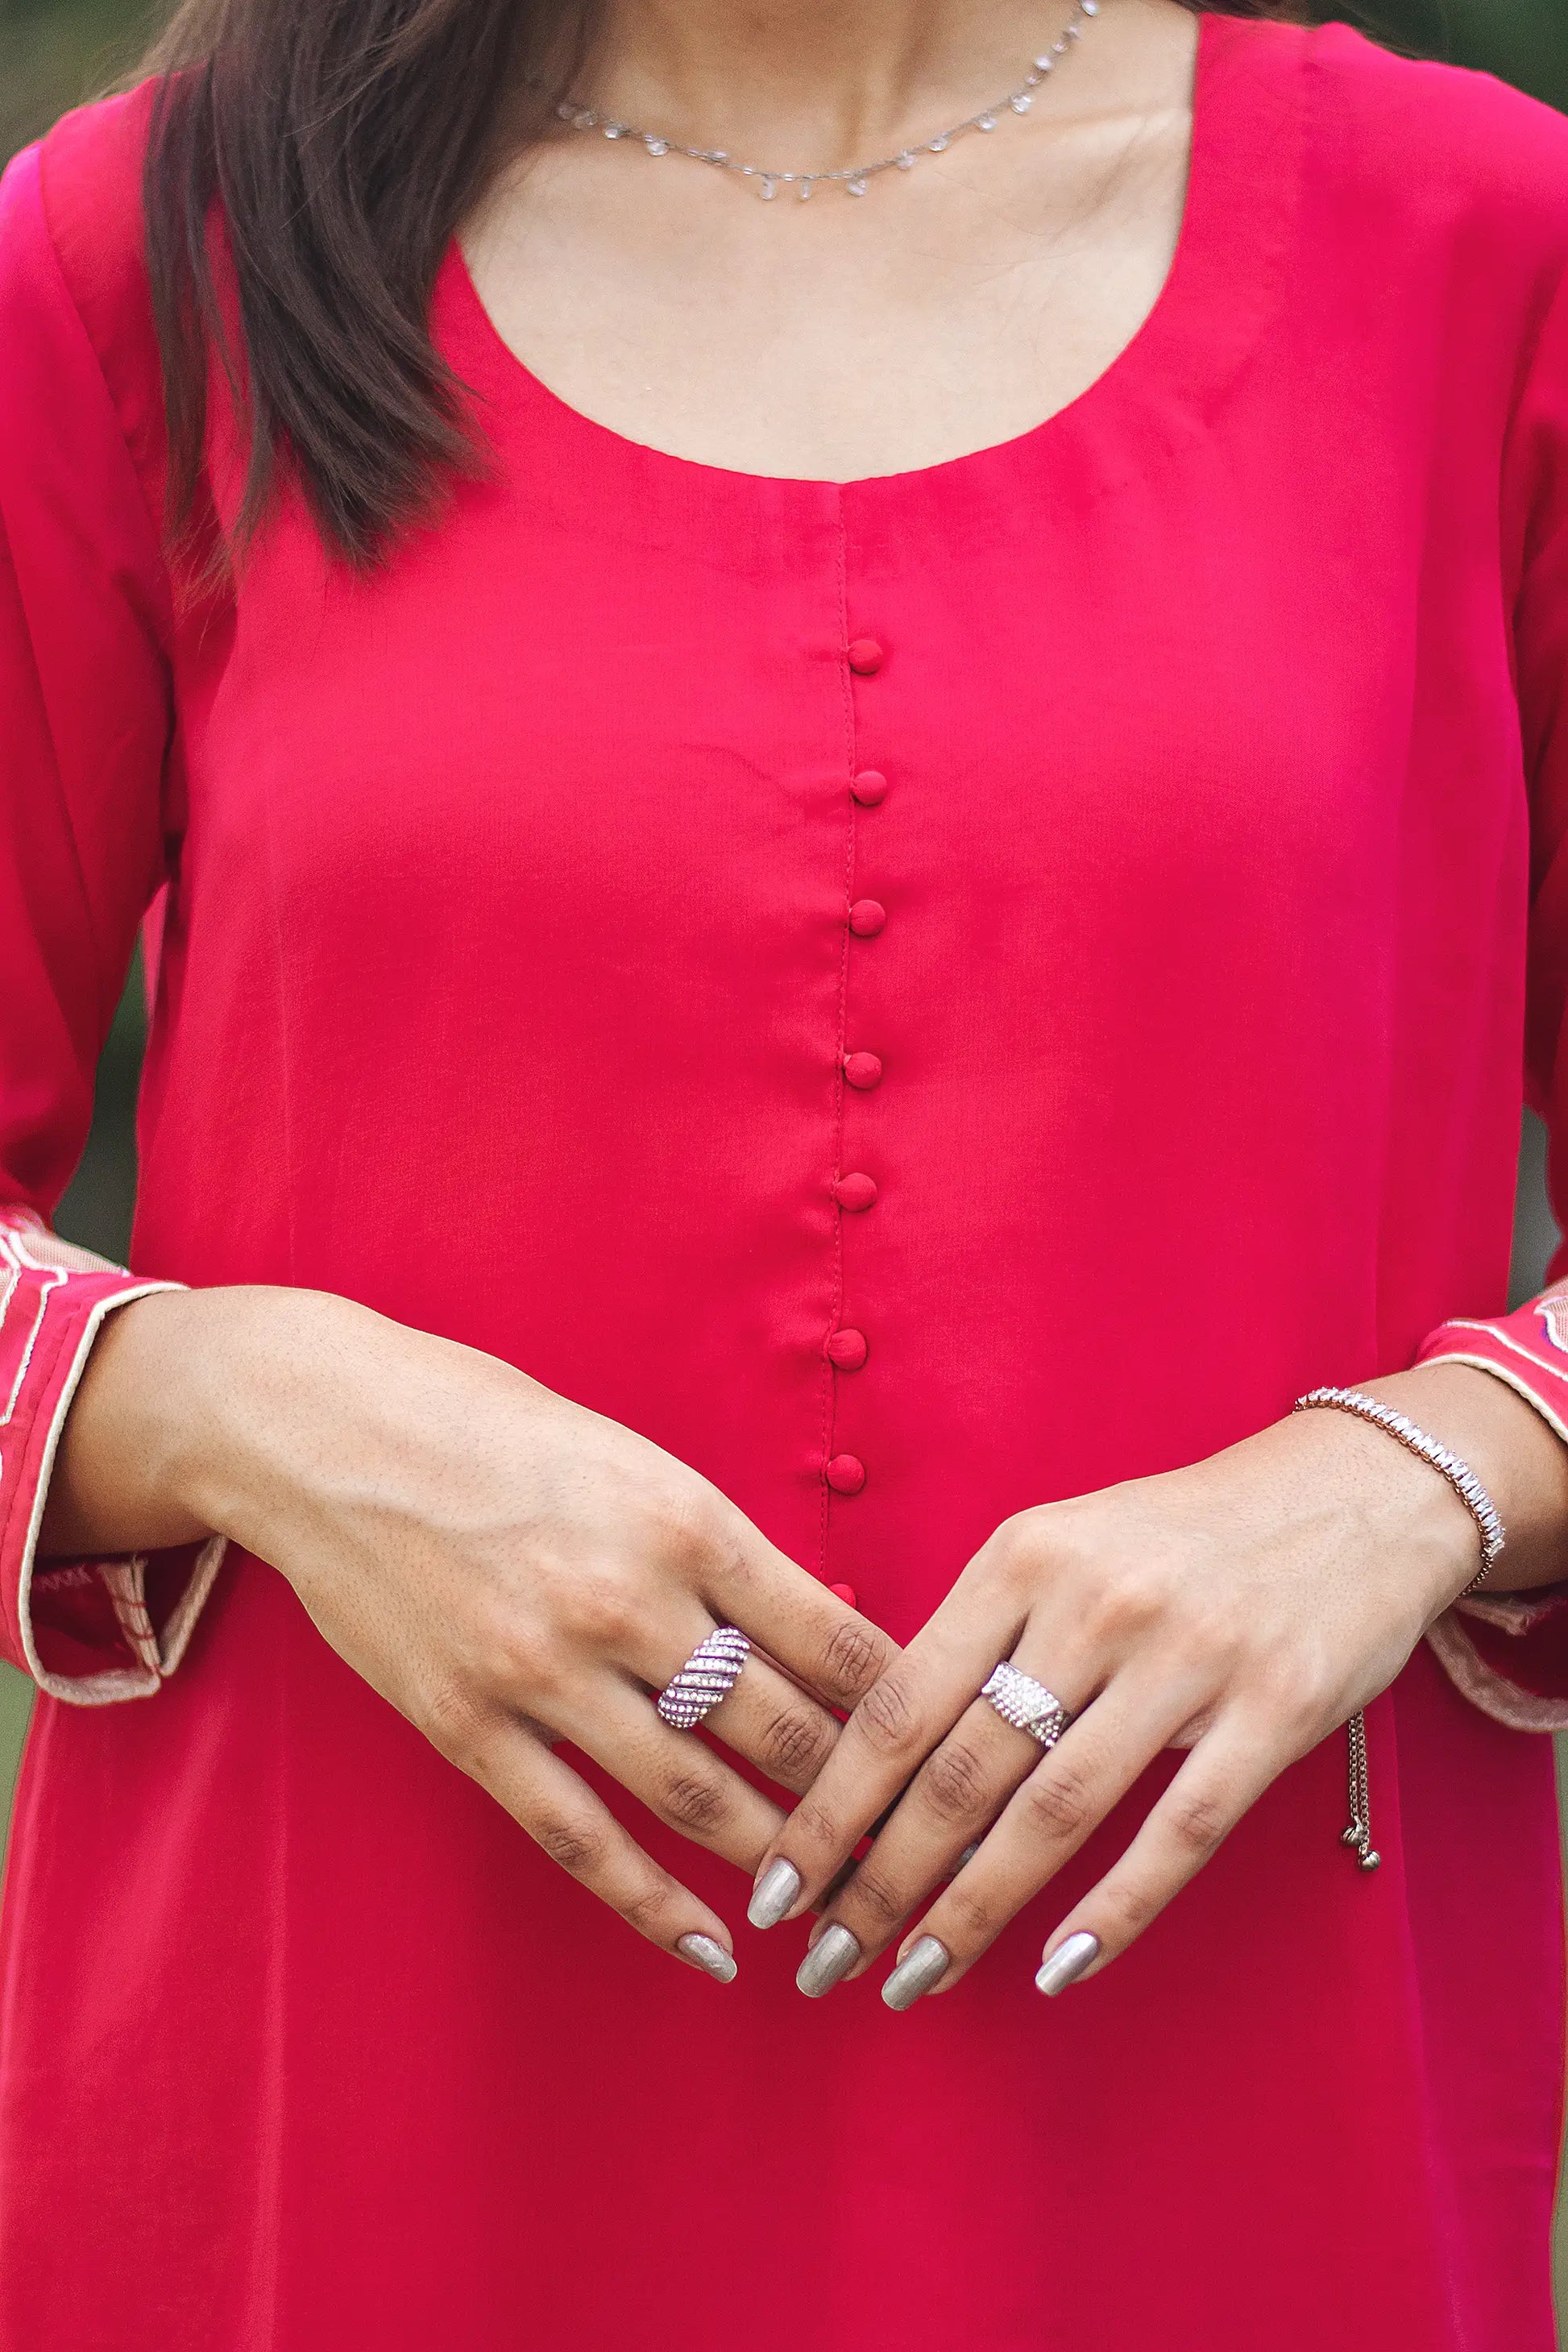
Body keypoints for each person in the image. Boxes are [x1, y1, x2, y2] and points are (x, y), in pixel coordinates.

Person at [2, 0, 1568, 2342]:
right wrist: (254, 1408)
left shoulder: (1489, 253)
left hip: (1235, 2112)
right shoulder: (138, 256)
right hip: (347, 2115)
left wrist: (1401, 1481)